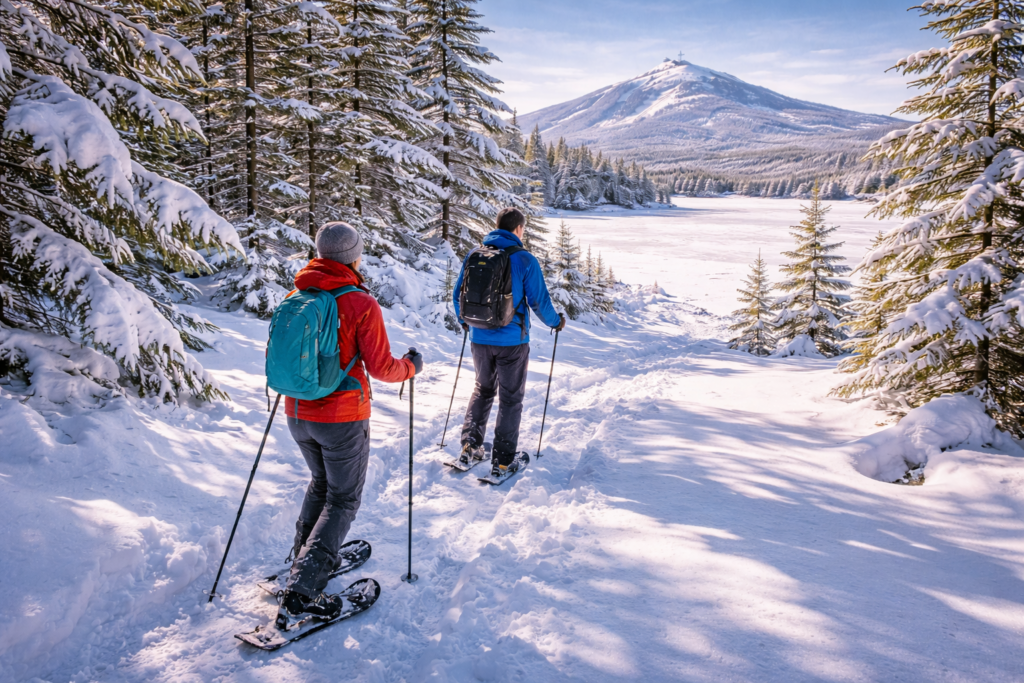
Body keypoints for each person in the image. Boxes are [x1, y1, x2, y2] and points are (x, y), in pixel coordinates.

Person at [277, 222, 422, 628]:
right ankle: (302, 593)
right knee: (342, 499)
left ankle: (302, 561)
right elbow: (382, 367)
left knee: (321, 486)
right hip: (341, 418)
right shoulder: (360, 302)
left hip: (297, 413)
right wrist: (411, 367)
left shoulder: (299, 294)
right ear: (354, 257)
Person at [453, 207, 566, 478]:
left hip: (479, 338)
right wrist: (555, 322)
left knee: (482, 389)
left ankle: (470, 446)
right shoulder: (524, 259)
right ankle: (502, 460)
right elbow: (539, 301)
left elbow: (459, 294)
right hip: (512, 341)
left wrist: (465, 321)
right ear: (519, 229)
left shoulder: (474, 254)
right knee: (511, 398)